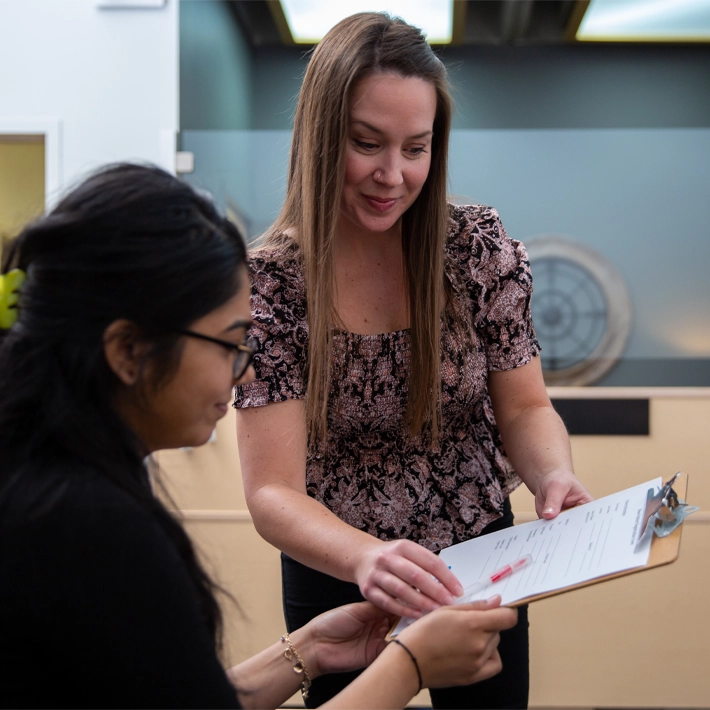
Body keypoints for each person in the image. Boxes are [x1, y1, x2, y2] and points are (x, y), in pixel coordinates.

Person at [0, 163, 517, 708]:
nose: (245, 372)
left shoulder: (48, 483)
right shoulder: (91, 528)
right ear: (128, 352)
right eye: (231, 341)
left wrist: (310, 649)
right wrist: (410, 665)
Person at [233, 12, 594, 710]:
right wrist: (368, 557)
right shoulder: (270, 285)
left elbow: (524, 406)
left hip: (479, 553)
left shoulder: (474, 248)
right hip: (341, 566)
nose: (392, 175)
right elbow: (272, 492)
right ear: (320, 133)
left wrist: (553, 474)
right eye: (365, 143)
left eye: (416, 148)